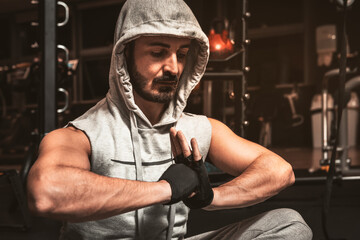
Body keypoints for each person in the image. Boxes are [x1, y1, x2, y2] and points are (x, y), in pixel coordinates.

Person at [27, 0, 312, 239]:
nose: (173, 68)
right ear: (125, 55)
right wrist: (167, 189)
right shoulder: (82, 134)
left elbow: (279, 171)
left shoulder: (196, 128)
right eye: (158, 52)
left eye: (182, 54)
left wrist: (209, 197)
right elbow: (47, 192)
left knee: (289, 224)